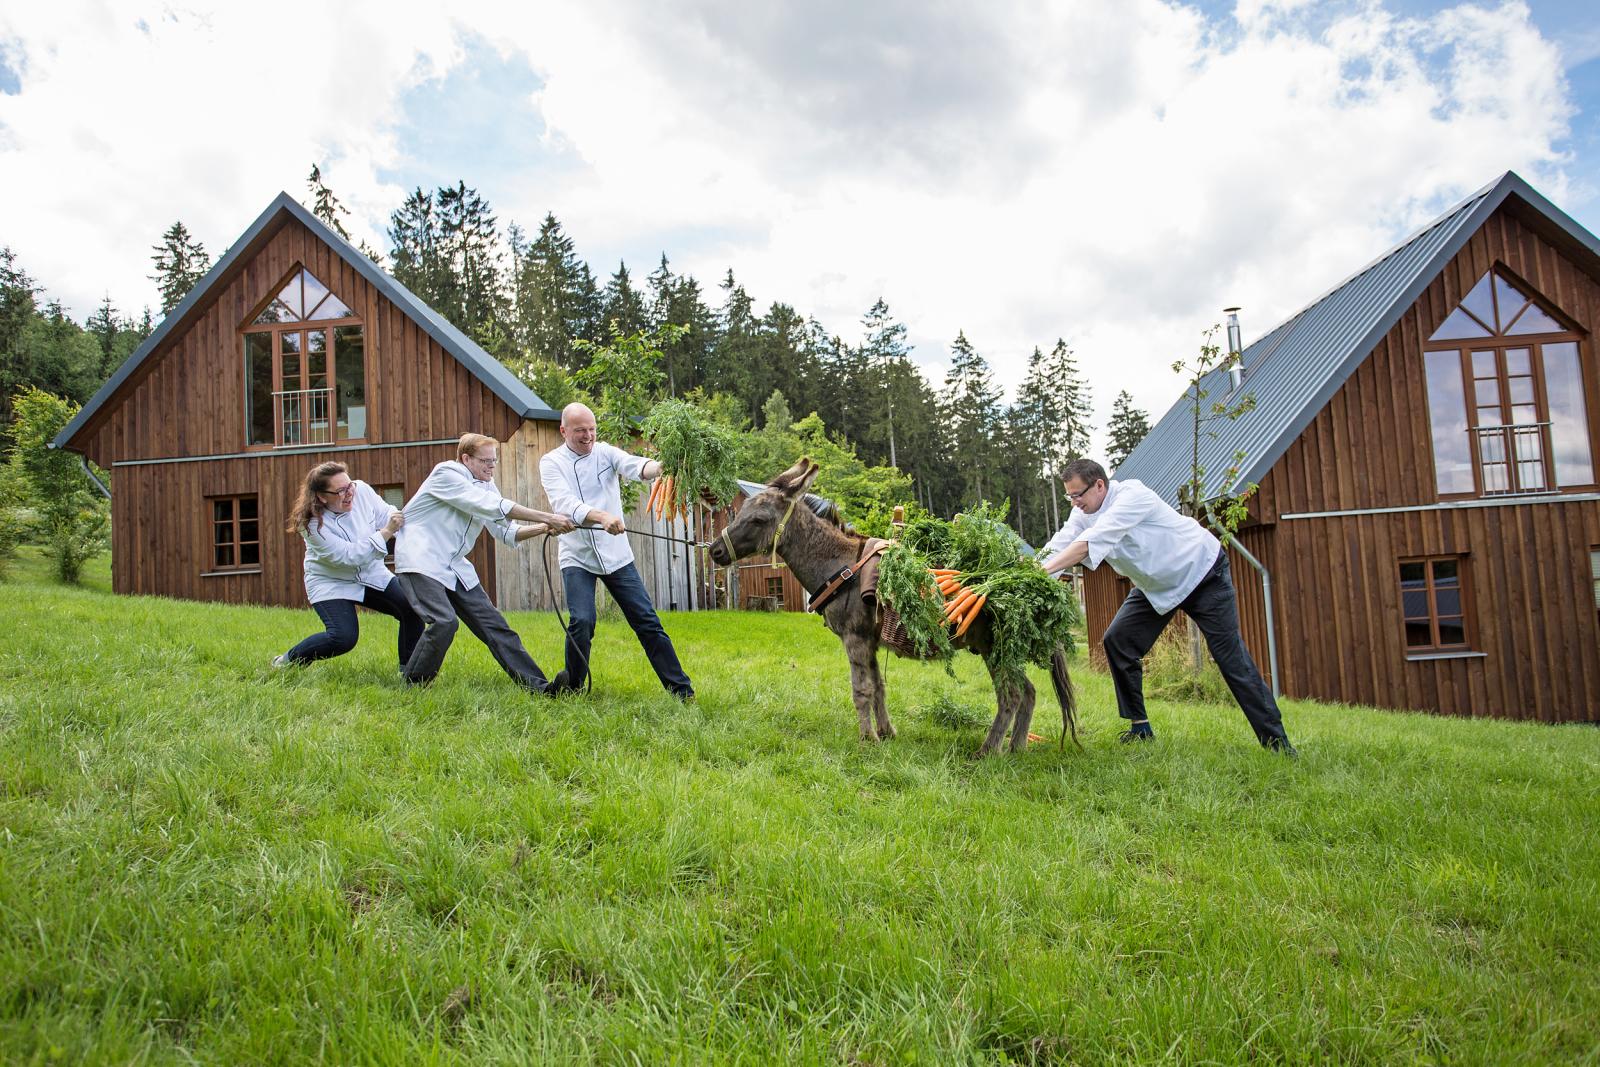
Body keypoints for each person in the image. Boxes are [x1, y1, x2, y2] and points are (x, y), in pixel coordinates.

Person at [1039, 458, 1295, 754]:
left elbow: (1088, 543)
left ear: (1099, 485)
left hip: (1202, 573)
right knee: (1118, 641)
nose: (1074, 503)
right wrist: (1030, 570)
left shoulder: (1132, 496)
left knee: (1230, 658)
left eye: (1077, 494)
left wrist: (1043, 572)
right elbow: (1062, 542)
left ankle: (1277, 742)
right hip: (1157, 586)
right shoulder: (1083, 513)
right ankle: (1140, 727)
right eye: (1069, 497)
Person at [395, 432, 577, 694]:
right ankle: (413, 684)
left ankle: (541, 688)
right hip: (421, 560)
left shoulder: (487, 485)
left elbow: (506, 532)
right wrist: (549, 517)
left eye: (494, 461)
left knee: (497, 627)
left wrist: (543, 528)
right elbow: (490, 506)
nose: (492, 466)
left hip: (455, 566)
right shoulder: (446, 473)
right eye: (486, 461)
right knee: (444, 622)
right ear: (465, 458)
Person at [539, 402, 695, 699]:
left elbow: (636, 466)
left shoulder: (606, 452)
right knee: (582, 621)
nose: (588, 436)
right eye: (580, 431)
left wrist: (662, 467)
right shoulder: (551, 462)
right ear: (563, 431)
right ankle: (571, 688)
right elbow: (564, 504)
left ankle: (681, 691)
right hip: (577, 556)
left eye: (592, 429)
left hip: (616, 556)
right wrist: (601, 516)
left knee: (647, 621)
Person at [275, 461, 423, 671]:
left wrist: (408, 528)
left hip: (371, 573)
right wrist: (387, 532)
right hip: (331, 582)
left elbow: (386, 514)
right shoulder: (310, 524)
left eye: (349, 485)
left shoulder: (361, 489)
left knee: (413, 608)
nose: (349, 493)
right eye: (340, 491)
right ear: (321, 496)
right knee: (343, 638)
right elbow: (347, 556)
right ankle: (287, 661)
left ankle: (410, 673)